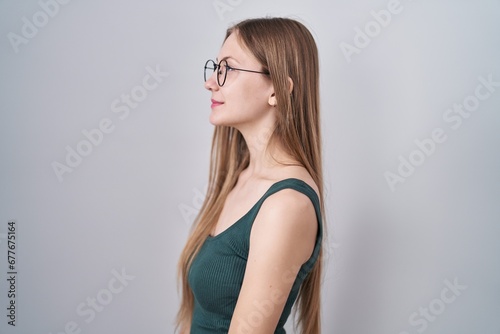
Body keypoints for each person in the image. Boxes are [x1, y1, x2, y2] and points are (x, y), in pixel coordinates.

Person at [177, 17, 325, 333]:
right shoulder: (240, 179)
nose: (210, 82)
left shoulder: (286, 205)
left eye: (227, 69)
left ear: (278, 91)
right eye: (215, 68)